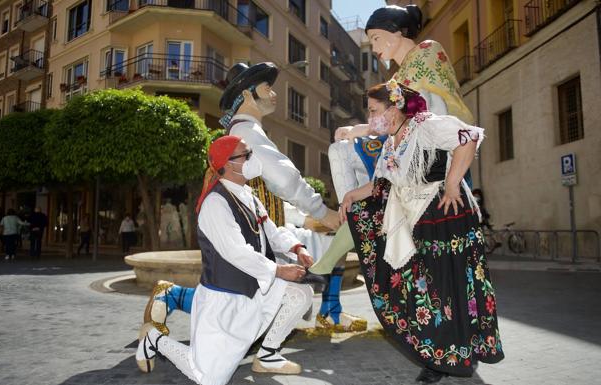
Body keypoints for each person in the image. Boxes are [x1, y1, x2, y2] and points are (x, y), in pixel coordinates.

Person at [142, 62, 365, 333]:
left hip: (261, 223)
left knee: (246, 294)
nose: (274, 94)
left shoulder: (242, 131)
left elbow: (272, 186)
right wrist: (323, 213)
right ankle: (171, 295)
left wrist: (300, 221)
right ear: (247, 95)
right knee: (241, 296)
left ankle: (330, 310)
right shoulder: (247, 132)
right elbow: (284, 178)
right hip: (253, 229)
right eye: (267, 88)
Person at [339, 81, 503, 383]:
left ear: (395, 106)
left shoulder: (424, 125)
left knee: (445, 284)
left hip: (445, 212)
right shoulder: (391, 142)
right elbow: (381, 183)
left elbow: (467, 137)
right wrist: (351, 195)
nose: (372, 118)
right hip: (419, 219)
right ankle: (442, 353)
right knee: (428, 287)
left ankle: (447, 356)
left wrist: (453, 182)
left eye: (375, 111)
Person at [310, 4, 475, 276]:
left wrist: (364, 129)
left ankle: (358, 224)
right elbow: (395, 121)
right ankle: (354, 221)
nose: (374, 48)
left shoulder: (427, 51)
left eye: (376, 38)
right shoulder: (397, 80)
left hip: (435, 159)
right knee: (340, 151)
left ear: (396, 32)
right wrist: (363, 129)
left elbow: (421, 111)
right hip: (408, 157)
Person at [136, 136, 314, 383]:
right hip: (225, 300)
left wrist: (297, 248)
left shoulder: (248, 195)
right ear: (229, 164)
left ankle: (268, 355)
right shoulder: (216, 203)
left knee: (300, 294)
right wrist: (279, 271)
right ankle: (153, 339)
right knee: (209, 378)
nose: (253, 158)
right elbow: (235, 251)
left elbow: (271, 232)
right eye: (246, 154)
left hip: (256, 289)